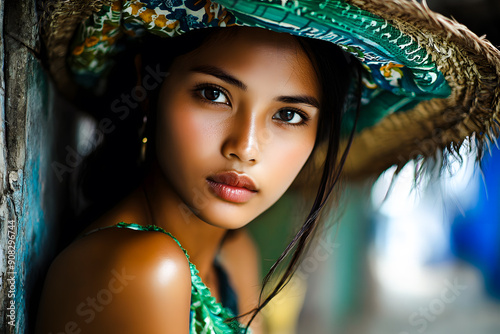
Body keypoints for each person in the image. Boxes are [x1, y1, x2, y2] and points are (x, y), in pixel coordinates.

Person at [37, 0, 500, 333]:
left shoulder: (233, 255)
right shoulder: (140, 271)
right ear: (147, 85)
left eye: (289, 115)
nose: (246, 147)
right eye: (213, 94)